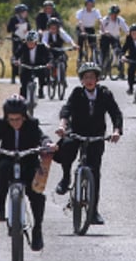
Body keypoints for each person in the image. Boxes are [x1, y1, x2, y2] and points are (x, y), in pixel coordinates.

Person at [0, 95, 56, 251]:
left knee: (36, 195)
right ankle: (1, 208)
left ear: (24, 116)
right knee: (3, 169)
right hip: (8, 159)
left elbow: (42, 137)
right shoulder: (2, 124)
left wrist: (48, 144)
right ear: (6, 117)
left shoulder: (32, 124)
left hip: (28, 161)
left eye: (18, 119)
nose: (15, 123)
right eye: (11, 119)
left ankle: (37, 229)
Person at [53, 61, 123, 225]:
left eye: (92, 77)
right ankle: (65, 178)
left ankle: (93, 212)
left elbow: (115, 113)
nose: (89, 80)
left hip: (96, 136)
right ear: (82, 80)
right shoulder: (77, 93)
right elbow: (67, 109)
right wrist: (62, 125)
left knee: (95, 171)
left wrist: (117, 130)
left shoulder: (105, 93)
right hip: (77, 132)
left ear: (97, 79)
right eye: (86, 77)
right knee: (67, 148)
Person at [17, 30, 51, 99]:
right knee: (24, 81)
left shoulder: (42, 47)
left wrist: (49, 63)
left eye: (31, 43)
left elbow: (49, 56)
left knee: (43, 74)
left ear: (36, 42)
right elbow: (16, 55)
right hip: (27, 66)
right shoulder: (23, 46)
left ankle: (41, 89)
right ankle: (23, 98)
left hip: (39, 66)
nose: (29, 44)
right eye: (28, 43)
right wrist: (15, 60)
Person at [100, 4, 130, 75]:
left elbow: (126, 29)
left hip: (115, 37)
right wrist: (104, 32)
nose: (113, 16)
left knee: (120, 52)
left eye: (115, 14)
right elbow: (101, 29)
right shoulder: (105, 19)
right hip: (106, 37)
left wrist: (129, 34)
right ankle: (101, 69)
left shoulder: (120, 20)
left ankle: (121, 72)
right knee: (104, 52)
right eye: (112, 14)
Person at [6, 4, 31, 83]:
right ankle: (13, 77)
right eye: (24, 12)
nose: (26, 14)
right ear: (20, 13)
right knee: (15, 57)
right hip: (16, 40)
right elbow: (9, 29)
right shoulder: (13, 19)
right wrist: (15, 27)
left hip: (24, 40)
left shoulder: (26, 19)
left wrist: (27, 31)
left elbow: (29, 27)